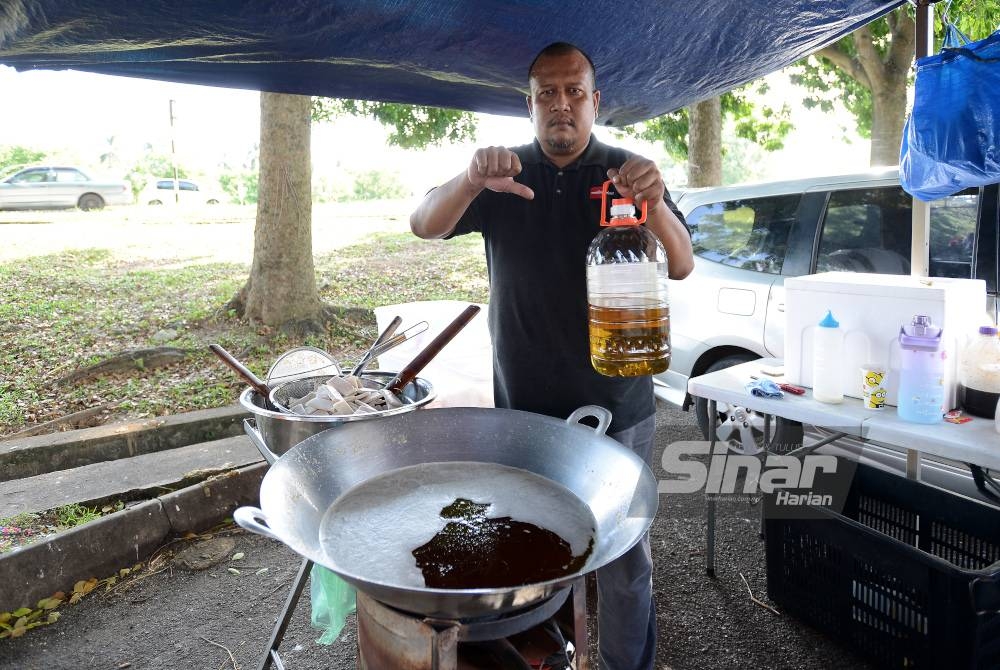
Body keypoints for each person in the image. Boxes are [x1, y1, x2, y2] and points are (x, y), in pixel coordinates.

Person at [409, 42, 693, 670]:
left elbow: (680, 263)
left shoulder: (627, 171)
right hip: (524, 407)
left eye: (574, 92)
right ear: (530, 102)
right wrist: (470, 177)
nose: (560, 105)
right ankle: (557, 650)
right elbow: (424, 223)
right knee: (536, 542)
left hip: (618, 404)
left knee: (622, 557)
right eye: (546, 93)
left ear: (596, 101)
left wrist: (658, 200)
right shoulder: (502, 172)